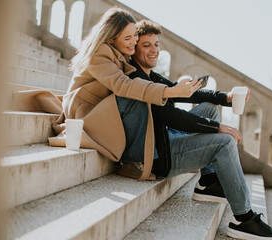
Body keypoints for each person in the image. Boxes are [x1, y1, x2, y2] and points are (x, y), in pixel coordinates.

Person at [116, 19, 272, 240]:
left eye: (156, 44)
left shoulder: (149, 75)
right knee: (224, 142)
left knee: (209, 108)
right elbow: (172, 117)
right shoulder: (136, 79)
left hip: (162, 138)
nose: (154, 50)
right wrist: (218, 128)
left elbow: (190, 93)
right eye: (146, 45)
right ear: (134, 47)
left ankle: (208, 183)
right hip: (155, 156)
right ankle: (243, 219)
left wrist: (226, 97)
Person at [47, 7, 203, 181]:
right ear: (112, 39)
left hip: (103, 108)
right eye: (127, 38)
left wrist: (174, 89)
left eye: (135, 35)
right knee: (135, 96)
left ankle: (168, 155)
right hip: (86, 112)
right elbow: (123, 85)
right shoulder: (100, 53)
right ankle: (132, 162)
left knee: (145, 96)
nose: (133, 42)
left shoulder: (120, 54)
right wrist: (168, 91)